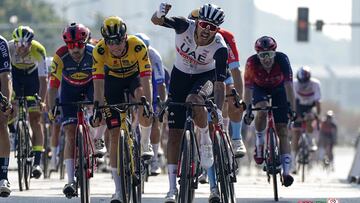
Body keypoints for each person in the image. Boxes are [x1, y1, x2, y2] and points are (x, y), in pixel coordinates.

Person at [152, 3, 228, 202]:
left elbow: (220, 85)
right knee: (175, 134)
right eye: (204, 25)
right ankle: (171, 189)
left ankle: (204, 140)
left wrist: (218, 111)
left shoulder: (220, 48)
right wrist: (160, 13)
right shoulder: (184, 26)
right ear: (197, 22)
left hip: (205, 78)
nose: (206, 30)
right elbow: (157, 21)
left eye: (212, 28)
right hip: (180, 77)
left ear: (217, 30)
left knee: (194, 100)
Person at [91, 16, 154, 202]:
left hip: (134, 78)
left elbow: (146, 78)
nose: (115, 45)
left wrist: (148, 104)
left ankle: (144, 143)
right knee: (114, 135)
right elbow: (98, 84)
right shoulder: (100, 50)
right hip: (112, 82)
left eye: (118, 40)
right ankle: (118, 190)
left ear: (125, 37)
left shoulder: (137, 46)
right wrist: (98, 107)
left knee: (142, 100)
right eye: (110, 42)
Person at [188, 8, 246, 159]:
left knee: (232, 98)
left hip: (222, 77)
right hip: (199, 79)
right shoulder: (186, 36)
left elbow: (235, 70)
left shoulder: (225, 37)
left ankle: (236, 138)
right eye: (197, 24)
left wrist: (239, 97)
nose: (202, 29)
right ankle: (196, 158)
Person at [47, 22, 94, 197]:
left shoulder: (93, 53)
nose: (75, 49)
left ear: (85, 42)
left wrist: (98, 104)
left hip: (90, 85)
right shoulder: (60, 56)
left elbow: (102, 82)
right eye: (71, 45)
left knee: (98, 111)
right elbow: (53, 86)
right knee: (70, 133)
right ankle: (70, 180)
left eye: (79, 45)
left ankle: (96, 140)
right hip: (69, 90)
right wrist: (52, 108)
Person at [243, 36, 296, 187]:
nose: (266, 59)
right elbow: (247, 89)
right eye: (262, 56)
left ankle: (286, 173)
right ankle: (260, 144)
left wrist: (292, 109)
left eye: (270, 55)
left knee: (283, 131)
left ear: (275, 53)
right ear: (257, 55)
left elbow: (290, 87)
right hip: (259, 90)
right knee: (263, 109)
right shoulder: (251, 63)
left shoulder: (283, 60)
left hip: (279, 90)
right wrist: (247, 111)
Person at [8, 25, 48, 179]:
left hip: (33, 79)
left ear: (31, 43)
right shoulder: (9, 47)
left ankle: (37, 162)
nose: (21, 48)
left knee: (35, 119)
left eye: (25, 45)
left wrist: (42, 101)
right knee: (12, 106)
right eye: (18, 44)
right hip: (16, 77)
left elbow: (43, 80)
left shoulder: (39, 50)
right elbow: (6, 76)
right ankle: (13, 129)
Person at [134, 33, 167, 175]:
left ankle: (154, 159)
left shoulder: (154, 56)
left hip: (150, 81)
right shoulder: (130, 52)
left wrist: (162, 104)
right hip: (134, 79)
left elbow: (160, 84)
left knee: (154, 121)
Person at [291, 66, 321, 172]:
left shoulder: (315, 84)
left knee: (309, 118)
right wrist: (294, 114)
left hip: (310, 106)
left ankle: (310, 139)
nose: (303, 84)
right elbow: (293, 100)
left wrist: (317, 115)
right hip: (298, 106)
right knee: (296, 134)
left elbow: (318, 102)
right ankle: (293, 161)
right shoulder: (294, 84)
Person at [0, 35, 13, 198]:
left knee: (2, 123)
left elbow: (5, 77)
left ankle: (3, 177)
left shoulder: (1, 43)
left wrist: (6, 103)